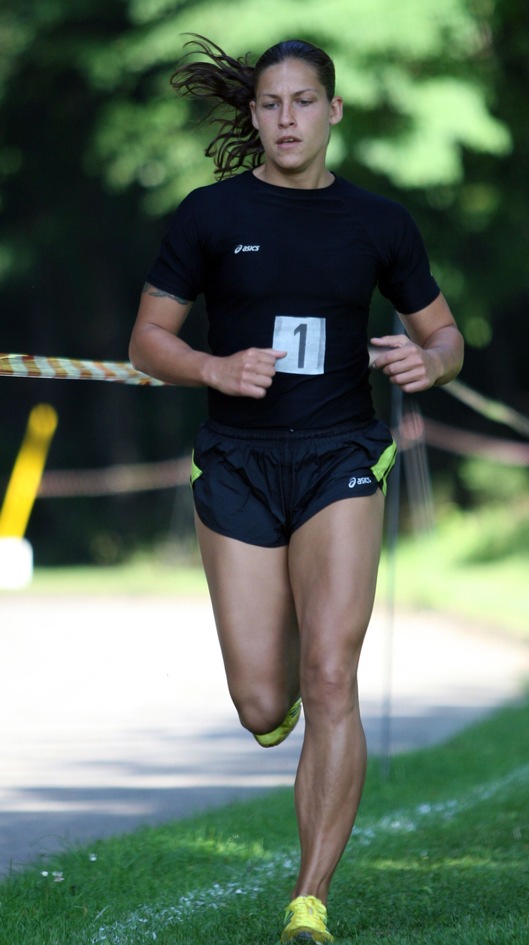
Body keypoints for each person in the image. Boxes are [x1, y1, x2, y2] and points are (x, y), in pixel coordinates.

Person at [129, 35, 464, 944]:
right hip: (236, 462)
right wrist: (212, 365)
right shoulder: (208, 215)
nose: (287, 119)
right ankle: (275, 712)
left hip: (341, 457)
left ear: (333, 111)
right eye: (271, 104)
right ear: (254, 115)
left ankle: (308, 900)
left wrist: (426, 360)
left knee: (331, 673)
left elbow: (445, 335)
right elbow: (146, 341)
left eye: (304, 101)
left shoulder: (379, 222)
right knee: (261, 702)